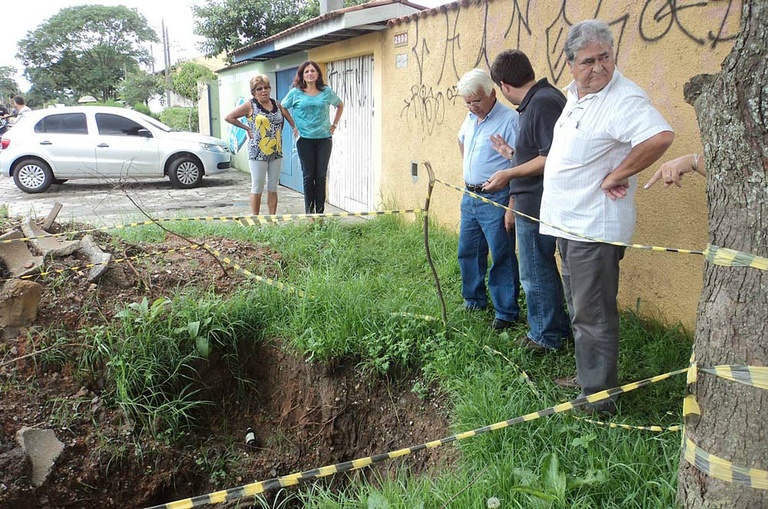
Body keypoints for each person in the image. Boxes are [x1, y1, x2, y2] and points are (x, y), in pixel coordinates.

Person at [539, 20, 675, 415]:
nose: (598, 67)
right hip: (569, 224)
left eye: (605, 58)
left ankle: (598, 399)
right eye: (588, 61)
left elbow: (659, 137)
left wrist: (619, 174)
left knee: (592, 314)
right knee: (580, 308)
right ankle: (589, 378)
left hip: (593, 229)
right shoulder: (574, 95)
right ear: (570, 64)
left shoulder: (624, 98)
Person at [484, 49, 571, 350]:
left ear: (504, 86)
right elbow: (537, 152)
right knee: (541, 268)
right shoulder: (538, 101)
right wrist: (510, 154)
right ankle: (556, 327)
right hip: (534, 200)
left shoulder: (543, 103)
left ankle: (545, 337)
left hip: (538, 203)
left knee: (534, 271)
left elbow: (551, 158)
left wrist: (508, 175)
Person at [457, 68, 521, 330]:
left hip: (497, 197)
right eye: (468, 102)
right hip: (470, 195)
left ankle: (505, 312)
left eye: (477, 101)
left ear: (493, 93)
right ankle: (473, 301)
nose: (473, 107)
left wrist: (512, 206)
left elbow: (520, 163)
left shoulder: (510, 120)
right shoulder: (471, 118)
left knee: (502, 254)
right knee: (468, 251)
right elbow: (461, 140)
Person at [225, 74, 294, 215]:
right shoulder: (250, 105)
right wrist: (247, 129)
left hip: (276, 151)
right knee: (257, 186)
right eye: (259, 89)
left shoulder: (277, 104)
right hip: (257, 153)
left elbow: (285, 120)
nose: (264, 91)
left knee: (273, 186)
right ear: (254, 92)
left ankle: (272, 219)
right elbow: (229, 117)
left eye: (266, 87)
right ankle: (256, 219)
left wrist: (289, 130)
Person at [281, 61, 344, 214]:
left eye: (313, 71)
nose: (310, 74)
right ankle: (310, 214)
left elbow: (339, 105)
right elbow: (283, 107)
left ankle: (320, 213)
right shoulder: (295, 92)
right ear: (302, 75)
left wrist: (334, 124)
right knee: (309, 176)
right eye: (306, 71)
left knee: (321, 176)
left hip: (324, 138)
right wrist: (293, 125)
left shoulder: (326, 91)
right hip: (304, 139)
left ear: (317, 74)